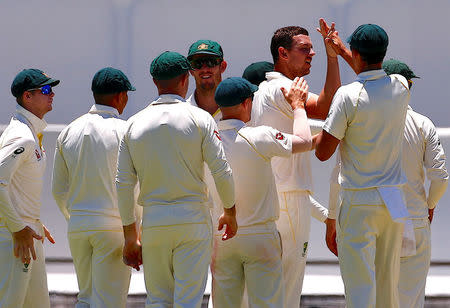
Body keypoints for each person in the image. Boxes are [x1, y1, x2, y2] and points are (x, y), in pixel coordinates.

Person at [116, 51, 237, 307]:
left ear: (154, 81)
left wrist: (130, 234)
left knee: (158, 300)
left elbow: (123, 184)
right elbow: (221, 170)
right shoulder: (200, 118)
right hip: (192, 220)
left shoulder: (133, 124)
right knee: (187, 301)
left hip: (154, 221)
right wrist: (230, 210)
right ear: (185, 79)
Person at [315, 24, 411, 307]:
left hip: (359, 200)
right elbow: (369, 73)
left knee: (360, 288)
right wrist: (344, 49)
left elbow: (323, 152)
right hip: (394, 200)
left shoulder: (347, 95)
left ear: (356, 53)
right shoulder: (401, 85)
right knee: (387, 286)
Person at [249, 19, 338, 307]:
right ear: (283, 54)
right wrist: (333, 57)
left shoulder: (265, 90)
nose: (311, 53)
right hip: (290, 200)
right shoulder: (284, 89)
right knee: (288, 286)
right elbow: (327, 106)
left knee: (267, 285)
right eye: (305, 49)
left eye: (313, 49)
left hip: (271, 198)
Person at [211, 76, 314, 307]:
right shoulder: (259, 135)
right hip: (260, 235)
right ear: (247, 103)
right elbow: (305, 141)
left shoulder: (208, 140)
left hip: (223, 234)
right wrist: (298, 106)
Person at [51, 67, 137, 307]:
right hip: (113, 226)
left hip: (78, 225)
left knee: (86, 297)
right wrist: (135, 230)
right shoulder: (125, 130)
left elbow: (58, 190)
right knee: (109, 300)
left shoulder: (69, 131)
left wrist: (76, 217)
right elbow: (134, 185)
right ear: (120, 96)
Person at [383, 59, 449, 308]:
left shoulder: (362, 122)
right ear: (408, 87)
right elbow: (440, 178)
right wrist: (429, 205)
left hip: (370, 218)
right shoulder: (423, 124)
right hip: (413, 217)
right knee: (409, 300)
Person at [0, 68, 59, 307]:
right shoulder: (22, 137)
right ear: (27, 97)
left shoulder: (29, 133)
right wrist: (18, 226)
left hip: (27, 231)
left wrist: (33, 222)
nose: (52, 94)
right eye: (45, 90)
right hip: (15, 236)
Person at [186, 39, 227, 122]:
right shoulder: (183, 114)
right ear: (190, 70)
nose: (205, 69)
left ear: (222, 66)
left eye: (210, 62)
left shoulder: (240, 109)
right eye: (197, 63)